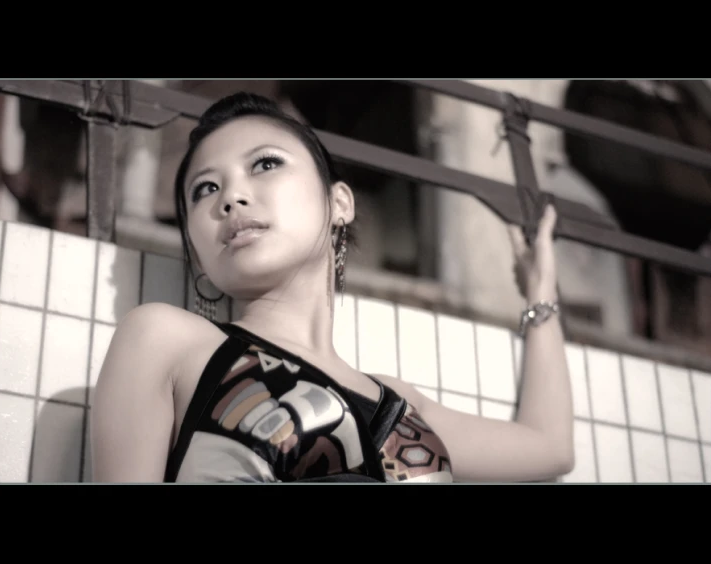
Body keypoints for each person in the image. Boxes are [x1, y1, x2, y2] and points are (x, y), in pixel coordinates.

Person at [91, 92, 574, 483]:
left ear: (339, 202)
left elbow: (550, 448)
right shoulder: (164, 342)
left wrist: (540, 293)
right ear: (197, 253)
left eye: (264, 164)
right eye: (205, 189)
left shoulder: (402, 405)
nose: (231, 198)